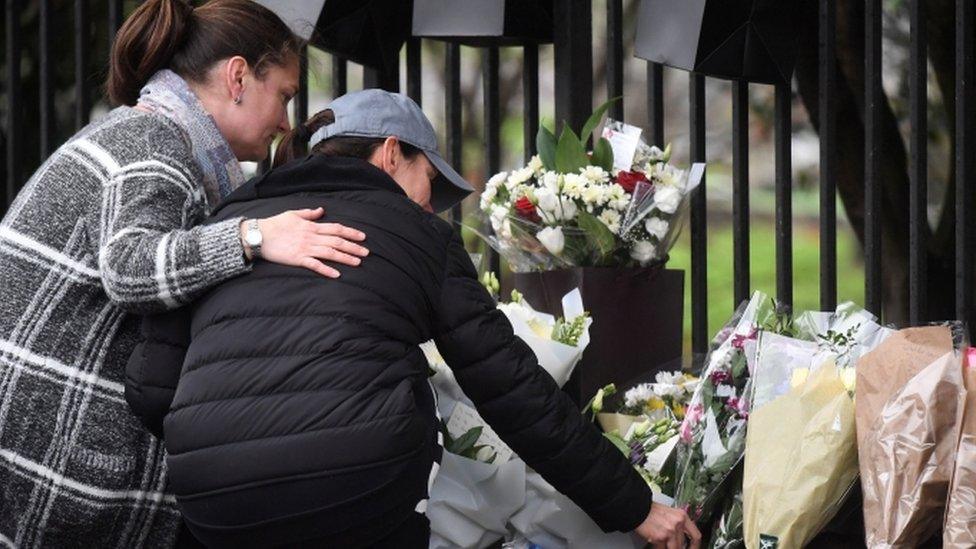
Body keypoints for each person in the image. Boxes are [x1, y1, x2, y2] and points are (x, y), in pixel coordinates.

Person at [128, 89, 702, 548]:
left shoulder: (230, 225)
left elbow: (151, 390)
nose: (429, 205)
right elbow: (511, 388)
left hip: (214, 505)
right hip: (360, 488)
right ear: (391, 151)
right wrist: (635, 506)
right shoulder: (420, 235)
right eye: (430, 180)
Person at [0, 0, 368, 546]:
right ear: (238, 76)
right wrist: (257, 235)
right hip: (59, 468)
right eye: (284, 96)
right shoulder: (155, 145)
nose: (286, 123)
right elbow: (131, 268)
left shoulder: (145, 133)